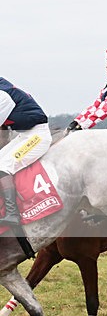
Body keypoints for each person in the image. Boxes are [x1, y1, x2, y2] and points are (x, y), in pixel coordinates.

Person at [0, 78, 51, 226]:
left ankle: (12, 214)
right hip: (26, 134)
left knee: (3, 167)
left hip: (37, 136)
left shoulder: (3, 96)